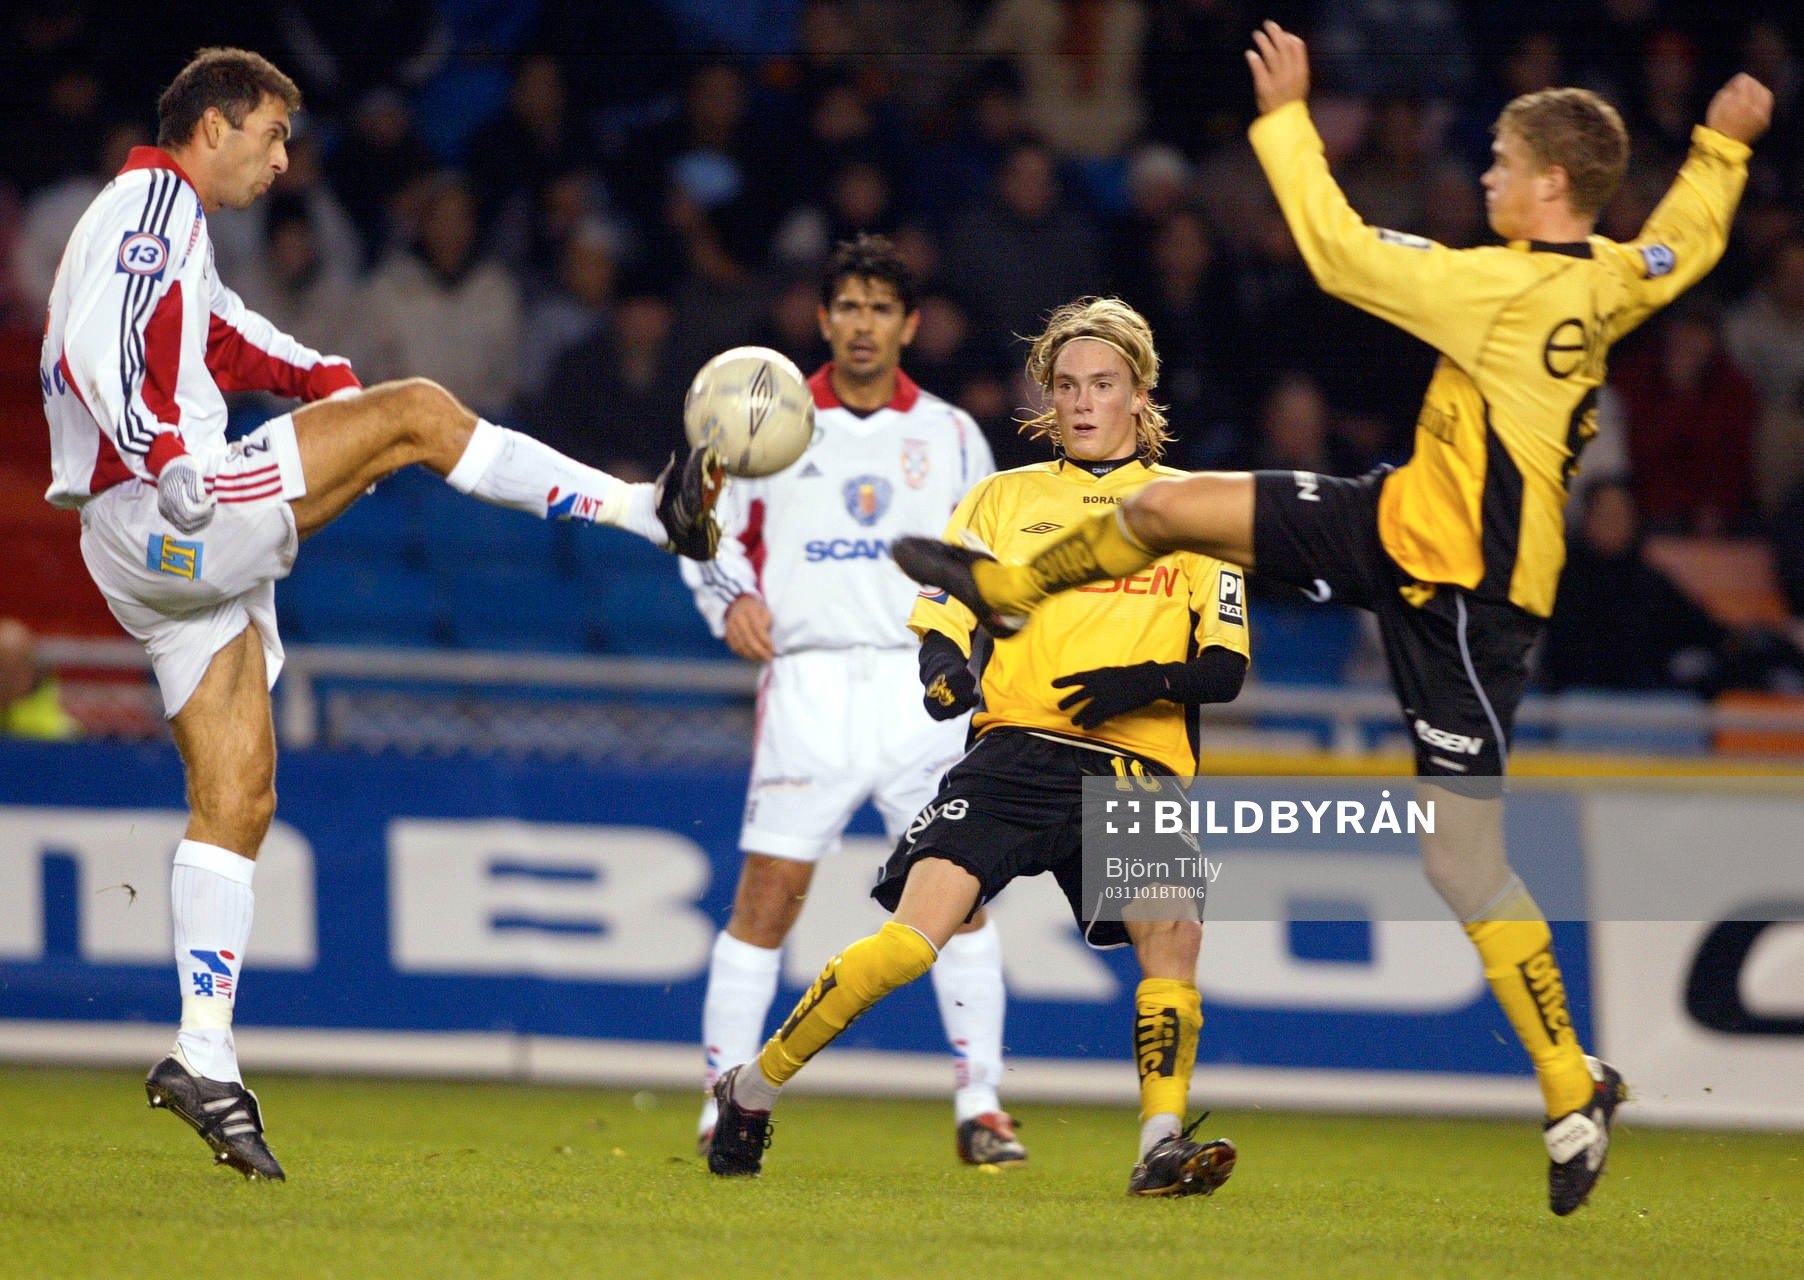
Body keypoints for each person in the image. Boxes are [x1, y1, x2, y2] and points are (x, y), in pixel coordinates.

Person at [892, 22, 1771, 1217]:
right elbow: (1691, 238)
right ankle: (1007, 588)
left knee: (1457, 855)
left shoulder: (1500, 287)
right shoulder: (1615, 275)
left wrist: (1284, 120)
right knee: (1163, 504)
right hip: (1394, 520)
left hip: (1466, 599)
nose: (1486, 178)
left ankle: (1569, 1083)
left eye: (1504, 164)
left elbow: (1341, 255)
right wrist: (1721, 144)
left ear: (1553, 182)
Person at [40, 47, 725, 1181]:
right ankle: (651, 512)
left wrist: (317, 376)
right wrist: (166, 454)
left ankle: (202, 1056)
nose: (281, 157)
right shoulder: (153, 198)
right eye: (268, 133)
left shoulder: (167, 226)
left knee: (239, 794)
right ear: (211, 124)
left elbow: (214, 337)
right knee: (415, 417)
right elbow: (92, 347)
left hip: (150, 554)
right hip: (161, 503)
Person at [708, 296, 1250, 1197]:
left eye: (1102, 385)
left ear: (1139, 391)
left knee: (1175, 938)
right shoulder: (1003, 498)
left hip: (1136, 769)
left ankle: (1161, 1143)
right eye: (1067, 385)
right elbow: (942, 618)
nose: (1081, 402)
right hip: (1018, 756)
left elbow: (1224, 670)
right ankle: (752, 1090)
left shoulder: (1194, 513)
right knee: (911, 943)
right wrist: (944, 674)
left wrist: (1139, 683)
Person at [679, 234, 1019, 1165]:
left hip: (923, 689)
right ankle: (722, 1101)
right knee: (769, 897)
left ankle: (981, 1106)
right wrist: (730, 599)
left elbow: (987, 560)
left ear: (909, 325)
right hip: (812, 680)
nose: (864, 325)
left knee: (960, 898)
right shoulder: (763, 418)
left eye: (881, 309)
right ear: (823, 319)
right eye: (849, 308)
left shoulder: (951, 434)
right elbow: (696, 523)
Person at [0, 617, 80, 740]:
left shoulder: (60, 735)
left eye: (13, 670)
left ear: (30, 674)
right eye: (3, 669)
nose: (5, 680)